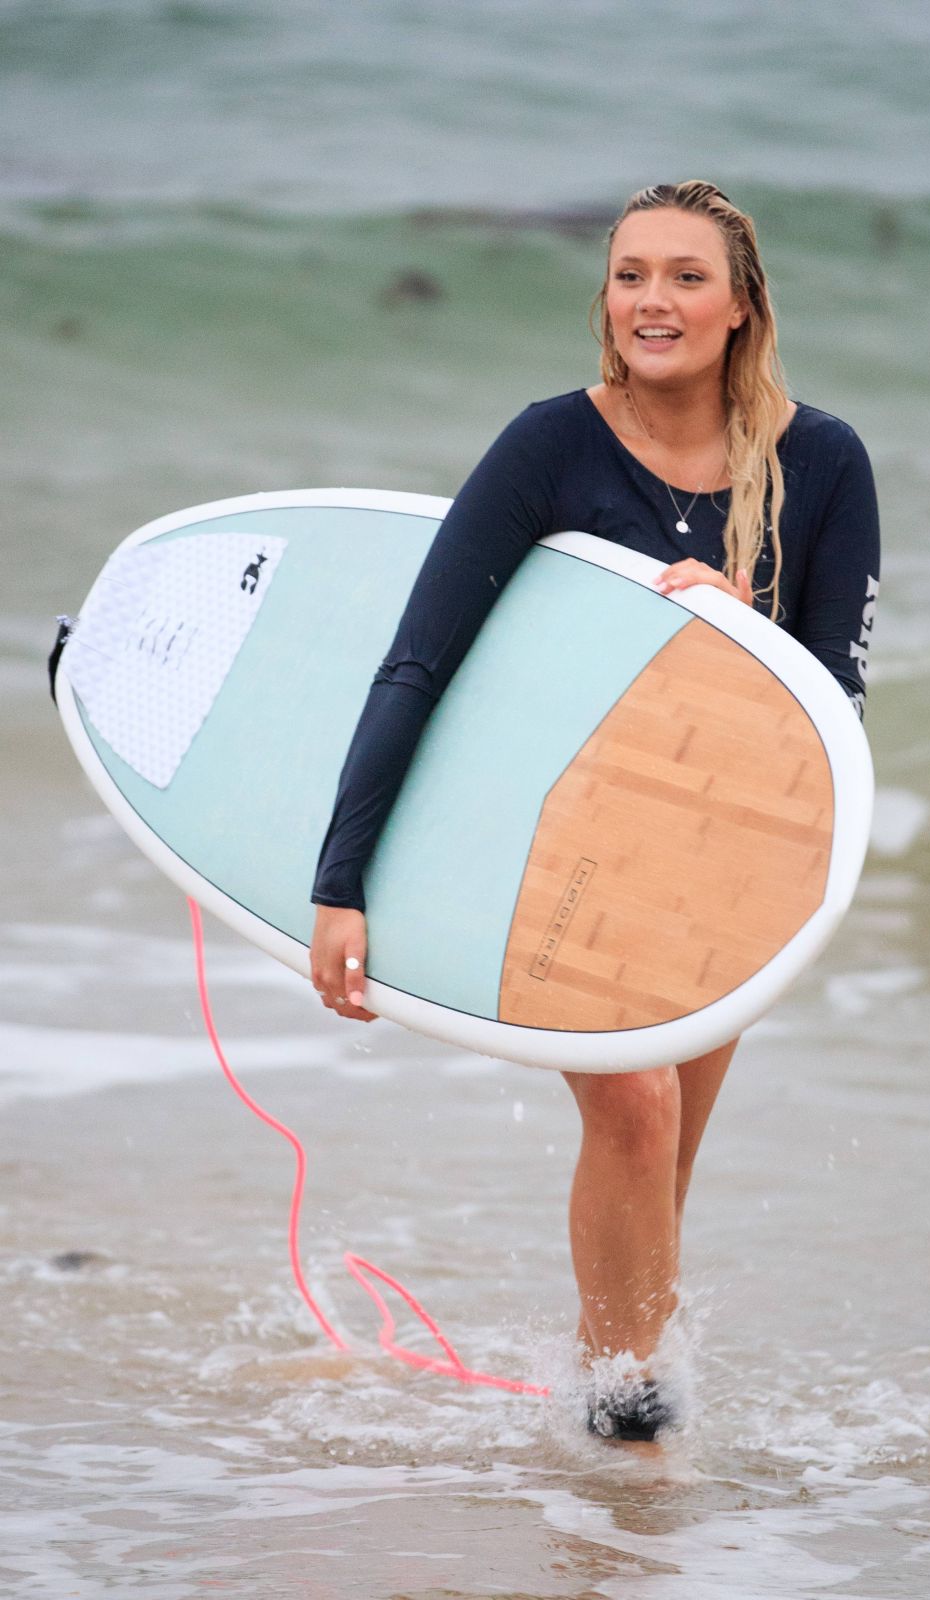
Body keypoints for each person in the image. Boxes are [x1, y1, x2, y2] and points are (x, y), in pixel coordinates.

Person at [308, 180, 880, 1444]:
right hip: (555, 832)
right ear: (603, 296)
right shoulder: (548, 446)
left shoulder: (821, 462)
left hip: (728, 848)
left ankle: (605, 1412)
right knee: (630, 1106)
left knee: (663, 1153)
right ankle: (630, 1415)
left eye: (684, 276)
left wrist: (743, 639)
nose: (650, 301)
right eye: (629, 275)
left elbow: (834, 705)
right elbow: (422, 660)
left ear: (740, 307)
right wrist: (340, 879)